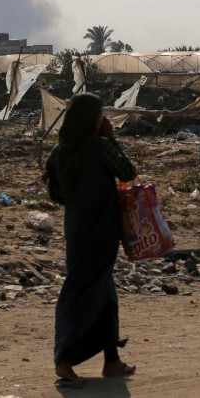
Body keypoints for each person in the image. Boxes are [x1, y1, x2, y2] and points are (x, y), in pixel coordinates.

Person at [45, 92, 138, 382]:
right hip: (102, 230)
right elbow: (128, 172)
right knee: (83, 291)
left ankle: (112, 360)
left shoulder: (59, 152)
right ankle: (64, 358)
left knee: (104, 293)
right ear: (94, 118)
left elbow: (56, 194)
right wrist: (110, 138)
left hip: (77, 229)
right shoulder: (100, 147)